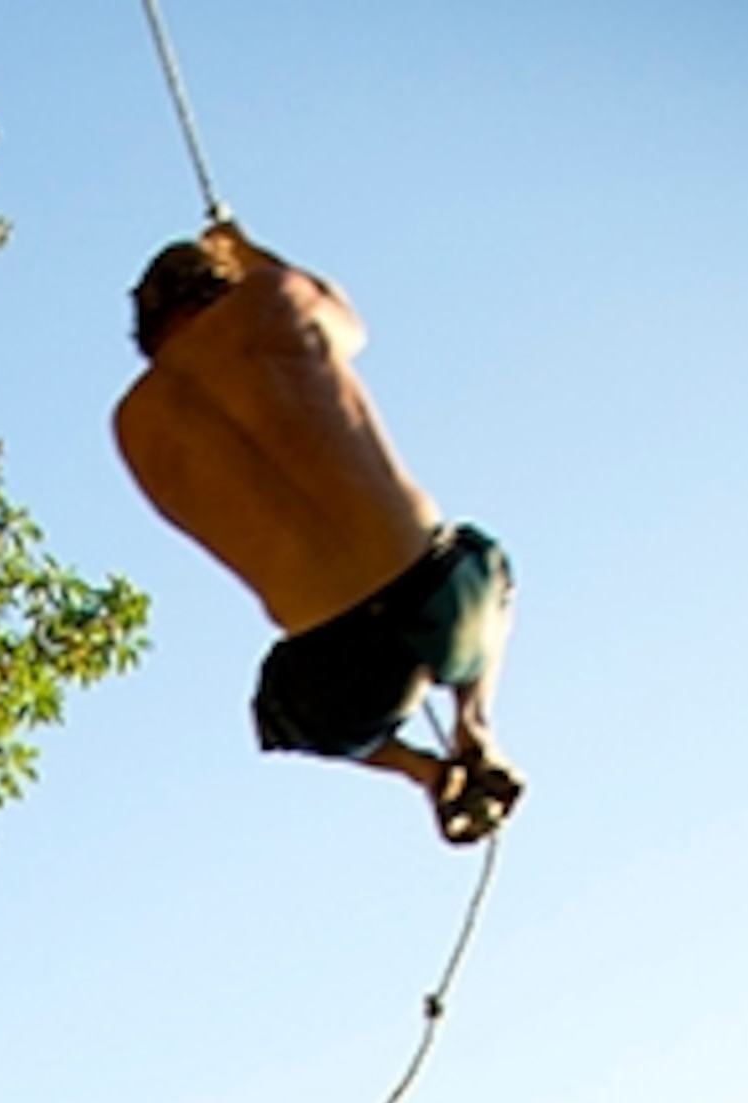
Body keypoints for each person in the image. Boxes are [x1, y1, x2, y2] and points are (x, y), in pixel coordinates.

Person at [113, 220, 523, 846]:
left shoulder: (135, 426)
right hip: (443, 595)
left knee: (276, 712)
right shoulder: (271, 301)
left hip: (343, 677)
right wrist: (244, 249)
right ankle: (475, 721)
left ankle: (421, 770)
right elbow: (349, 324)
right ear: (218, 284)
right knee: (486, 559)